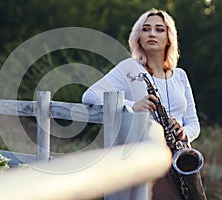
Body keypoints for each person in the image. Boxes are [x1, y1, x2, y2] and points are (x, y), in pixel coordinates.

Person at [82, 8, 206, 200]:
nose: (151, 34)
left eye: (159, 29)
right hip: (148, 155)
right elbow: (90, 96)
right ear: (138, 36)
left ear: (169, 37)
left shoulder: (180, 76)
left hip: (179, 158)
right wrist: (132, 106)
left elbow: (194, 124)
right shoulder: (129, 68)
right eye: (146, 29)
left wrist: (184, 132)